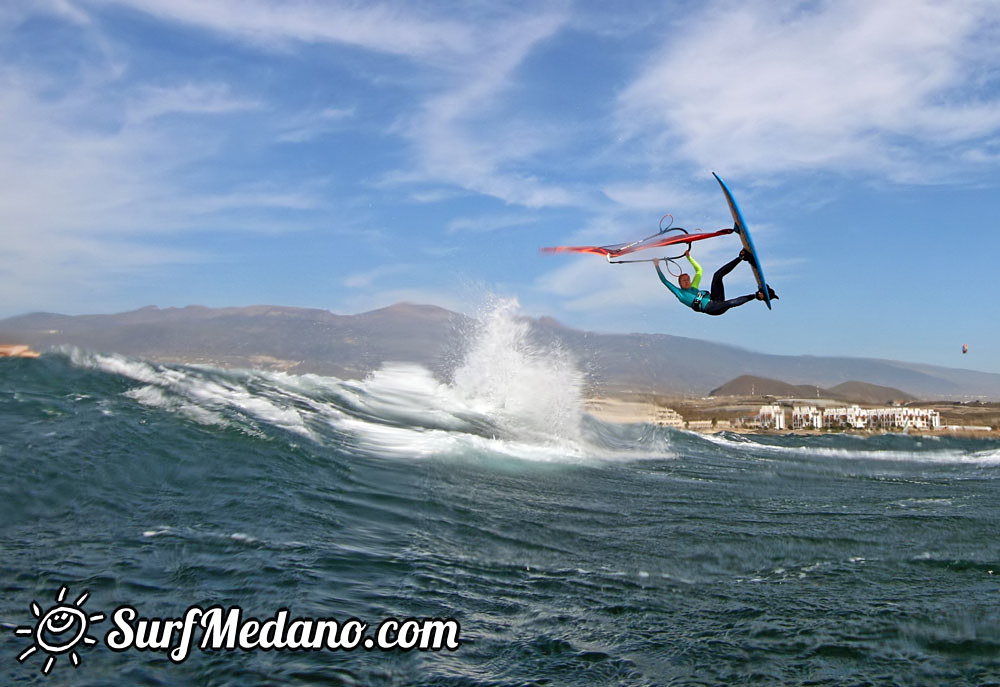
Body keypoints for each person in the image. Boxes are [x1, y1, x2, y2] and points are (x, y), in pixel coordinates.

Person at [654, 249, 777, 316]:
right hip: (711, 309)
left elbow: (699, 270)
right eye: (683, 281)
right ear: (680, 284)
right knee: (729, 303)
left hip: (715, 298)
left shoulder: (694, 287)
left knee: (717, 276)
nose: (686, 281)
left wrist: (689, 258)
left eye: (687, 279)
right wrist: (657, 266)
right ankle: (757, 296)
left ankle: (741, 258)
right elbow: (664, 281)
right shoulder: (679, 293)